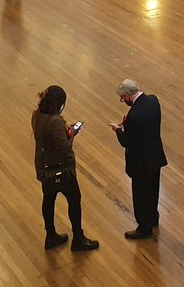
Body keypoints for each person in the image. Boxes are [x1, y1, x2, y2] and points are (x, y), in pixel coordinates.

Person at [32, 85, 100, 252]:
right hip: (61, 168)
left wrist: (65, 132)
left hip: (44, 165)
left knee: (48, 200)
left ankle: (51, 235)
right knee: (74, 200)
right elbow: (64, 148)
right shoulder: (55, 121)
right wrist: (72, 134)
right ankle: (78, 237)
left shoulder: (37, 115)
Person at [110, 79, 167, 240]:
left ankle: (144, 227)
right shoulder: (153, 101)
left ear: (128, 95)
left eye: (122, 98)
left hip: (141, 162)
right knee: (153, 190)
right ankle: (153, 217)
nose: (123, 101)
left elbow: (128, 142)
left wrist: (119, 130)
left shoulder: (134, 115)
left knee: (141, 195)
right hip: (155, 156)